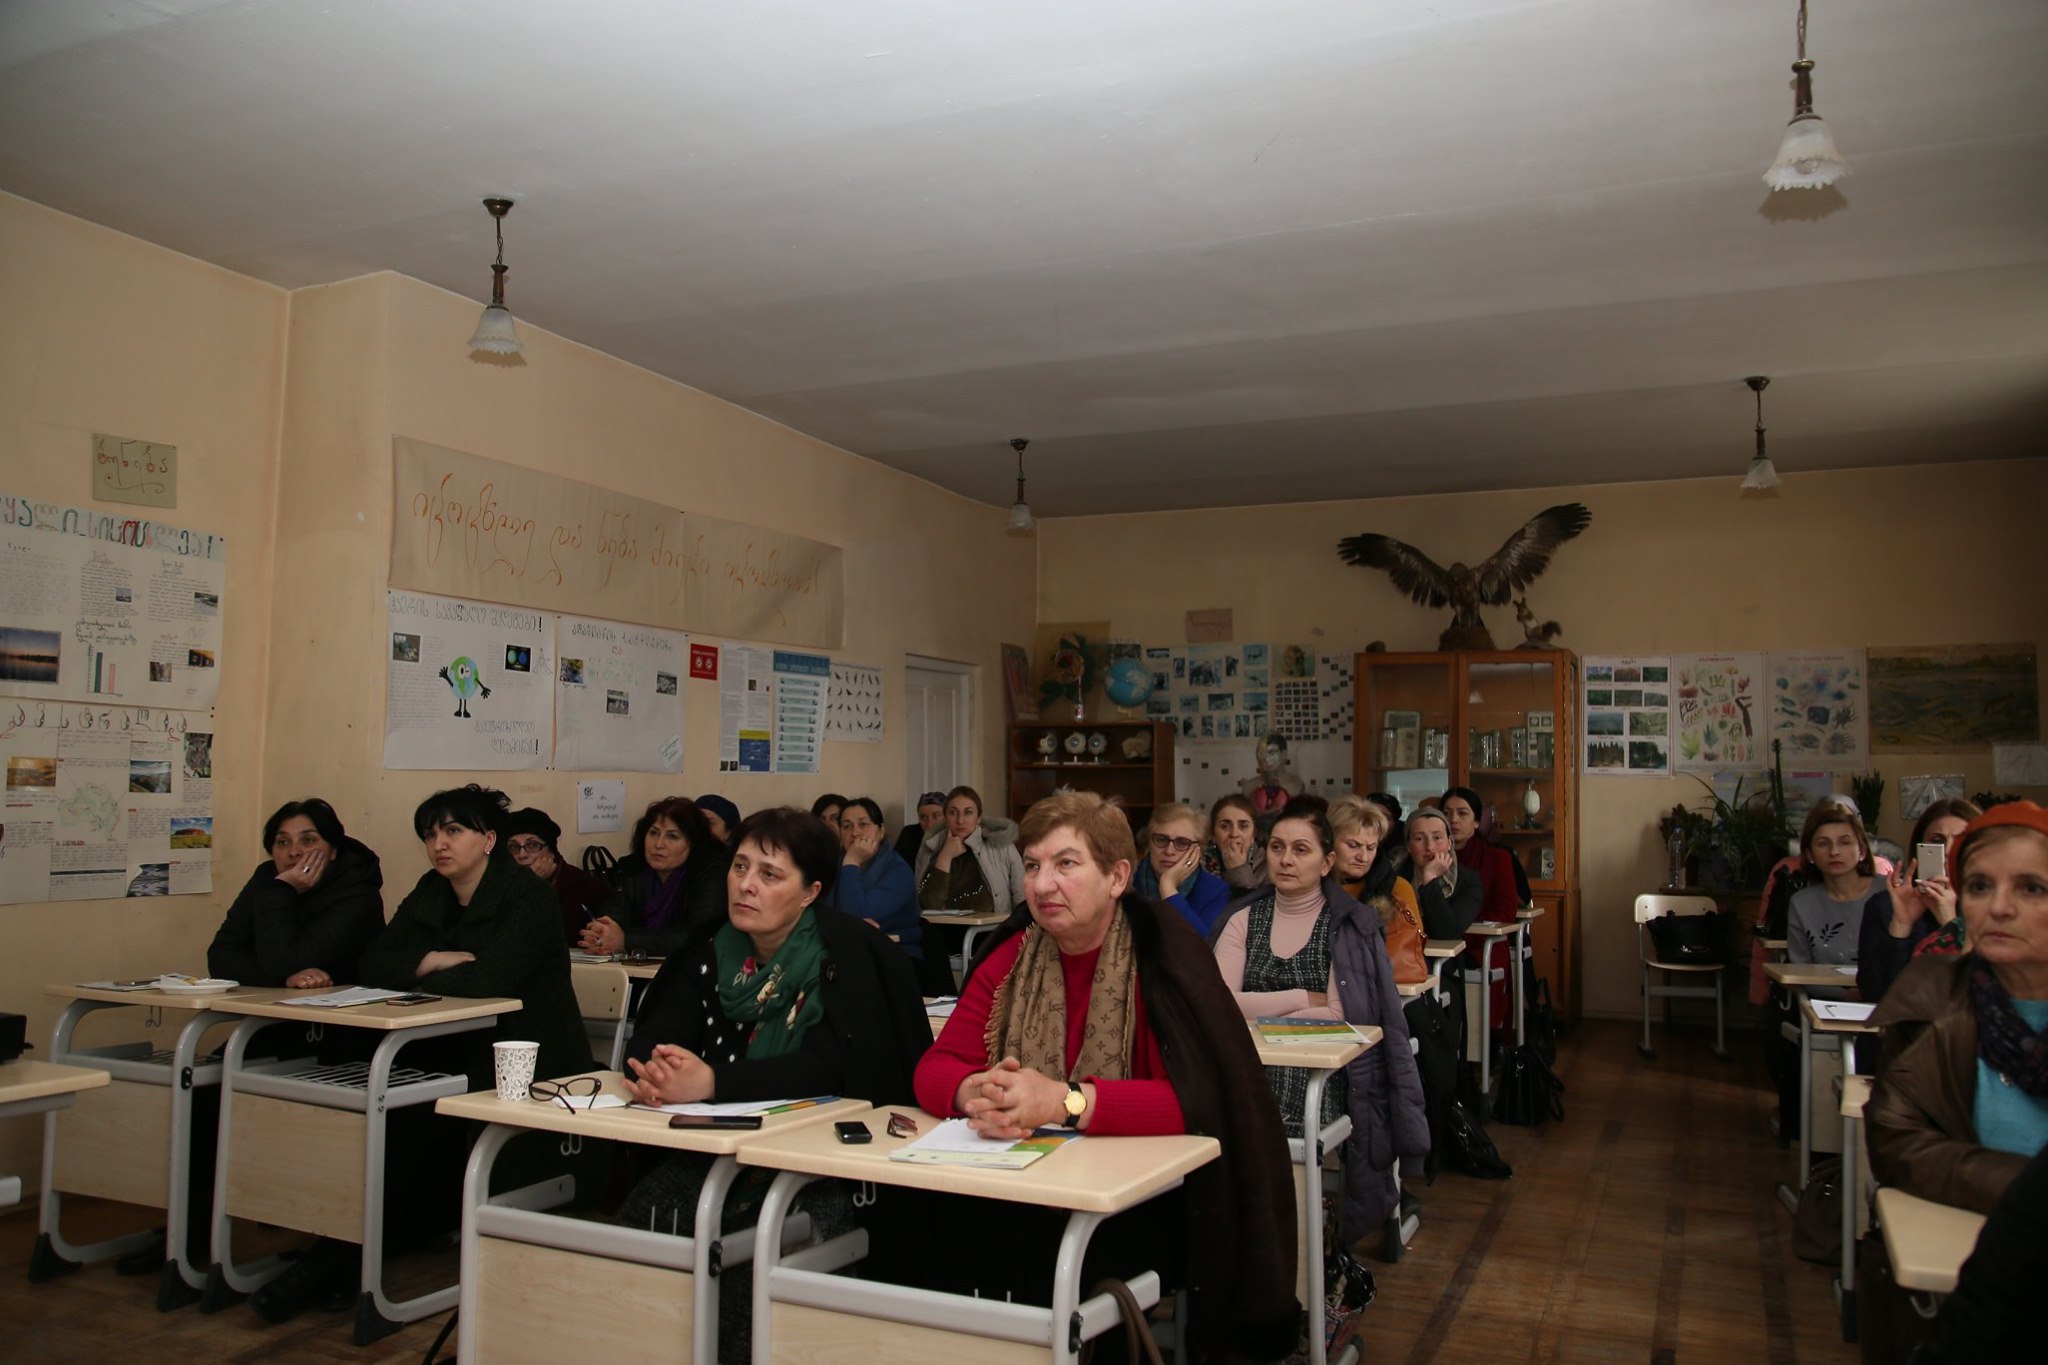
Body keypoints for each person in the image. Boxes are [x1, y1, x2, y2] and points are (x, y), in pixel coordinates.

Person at [911, 790, 1298, 1361]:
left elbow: (1197, 1101)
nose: (1043, 885)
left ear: (1117, 877)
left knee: (1033, 1254)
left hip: (1144, 1201)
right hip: (1019, 1183)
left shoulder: (1164, 956)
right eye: (1033, 866)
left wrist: (1063, 1102)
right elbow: (935, 1069)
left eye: (1066, 864)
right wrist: (976, 1091)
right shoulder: (1014, 954)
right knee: (925, 1228)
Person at [259, 786, 584, 1324]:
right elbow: (375, 963)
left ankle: (339, 1262)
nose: (439, 845)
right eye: (431, 835)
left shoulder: (527, 896)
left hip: (521, 1057)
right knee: (376, 1105)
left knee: (406, 1116)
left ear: (488, 840)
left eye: (453, 831)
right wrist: (429, 959)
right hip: (446, 1046)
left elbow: (490, 979)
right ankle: (342, 1253)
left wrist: (419, 973)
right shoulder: (433, 889)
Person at [617, 807, 929, 1365]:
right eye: (740, 867)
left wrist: (712, 1080)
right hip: (713, 1151)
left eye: (769, 874)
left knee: (761, 1250)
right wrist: (657, 1071)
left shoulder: (843, 956)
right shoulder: (713, 949)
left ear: (810, 892)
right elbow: (652, 1037)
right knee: (646, 1221)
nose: (746, 885)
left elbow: (829, 1069)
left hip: (822, 1165)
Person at [1212, 801, 1429, 1243]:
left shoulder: (1347, 925)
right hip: (1247, 1063)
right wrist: (1300, 999)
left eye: (1300, 850)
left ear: (1327, 862)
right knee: (1216, 1108)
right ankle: (1242, 1243)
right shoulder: (1241, 918)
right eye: (1276, 847)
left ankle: (1288, 1244)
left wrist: (1259, 1009)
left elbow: (1336, 1015)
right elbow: (1220, 1004)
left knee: (1276, 1109)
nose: (1285, 860)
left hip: (1325, 1074)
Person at [1867, 801, 2048, 1214]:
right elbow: (1897, 1143)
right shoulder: (1932, 994)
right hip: (1963, 1237)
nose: (1999, 907)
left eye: (2031, 888)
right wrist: (2030, 1191)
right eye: (1980, 886)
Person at [208, 797, 383, 989]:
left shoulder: (359, 894)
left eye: (308, 840)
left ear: (333, 850)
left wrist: (281, 890)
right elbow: (220, 956)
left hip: (340, 1004)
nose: (294, 852)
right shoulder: (268, 878)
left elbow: (285, 961)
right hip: (275, 1002)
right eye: (283, 842)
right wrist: (283, 980)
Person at [1859, 798, 1980, 1003]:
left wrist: (1950, 923)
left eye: (1961, 840)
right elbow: (1875, 993)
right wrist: (1901, 925)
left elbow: (1984, 994)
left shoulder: (1991, 908)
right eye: (1937, 840)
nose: (1948, 850)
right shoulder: (1885, 905)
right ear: (1919, 847)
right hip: (1903, 1021)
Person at [580, 797, 733, 959]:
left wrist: (626, 940)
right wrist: (600, 932)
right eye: (654, 833)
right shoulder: (636, 870)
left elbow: (695, 935)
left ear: (692, 843)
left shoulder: (712, 875)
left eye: (672, 836)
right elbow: (613, 913)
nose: (659, 844)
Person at [831, 797, 945, 990]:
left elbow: (857, 915)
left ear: (881, 830)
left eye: (863, 825)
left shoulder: (897, 870)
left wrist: (851, 862)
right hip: (845, 955)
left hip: (894, 956)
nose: (855, 833)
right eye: (847, 826)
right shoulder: (832, 867)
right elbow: (821, 914)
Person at [1785, 799, 1885, 1001]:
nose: (1834, 852)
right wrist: (1846, 995)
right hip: (1829, 1004)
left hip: (1889, 1002)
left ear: (1862, 851)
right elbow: (1800, 969)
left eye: (1845, 842)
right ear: (1809, 854)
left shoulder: (1888, 892)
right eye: (1823, 843)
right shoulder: (1801, 903)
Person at [1442, 787, 1520, 1033]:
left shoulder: (1497, 858)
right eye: (1447, 813)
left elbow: (1504, 913)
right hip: (1438, 941)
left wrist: (1459, 930)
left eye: (1462, 813)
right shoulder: (1430, 856)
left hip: (1479, 944)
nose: (1453, 820)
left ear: (1476, 821)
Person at [1332, 796, 1427, 984]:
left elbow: (1413, 947)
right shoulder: (1309, 886)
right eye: (1353, 845)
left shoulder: (1398, 888)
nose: (1363, 857)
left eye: (1371, 847)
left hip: (1382, 990)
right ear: (1330, 842)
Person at [913, 784, 1026, 915]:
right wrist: (945, 856)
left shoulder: (1001, 845)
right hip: (941, 925)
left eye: (968, 812)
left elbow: (1022, 898)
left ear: (978, 818)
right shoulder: (930, 847)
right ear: (945, 817)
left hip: (994, 926)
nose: (960, 820)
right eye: (953, 812)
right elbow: (929, 904)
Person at [503, 807, 611, 944]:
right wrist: (529, 885)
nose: (522, 854)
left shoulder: (585, 886)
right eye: (513, 847)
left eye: (532, 845)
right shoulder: (501, 884)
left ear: (551, 850)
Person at [1132, 801, 1230, 938]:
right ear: (1149, 842)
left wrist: (1168, 888)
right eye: (1161, 840)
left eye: (1182, 843)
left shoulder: (1215, 891)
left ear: (1199, 850)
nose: (1169, 851)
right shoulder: (1128, 881)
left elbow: (1203, 945)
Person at [1201, 792, 1266, 891]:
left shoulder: (1269, 866)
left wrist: (1238, 870)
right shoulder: (1198, 864)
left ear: (1253, 834)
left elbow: (1260, 901)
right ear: (1213, 834)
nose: (1234, 834)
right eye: (1225, 826)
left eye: (1243, 826)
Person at [893, 790, 945, 867]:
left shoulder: (953, 837)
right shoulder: (909, 834)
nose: (929, 824)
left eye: (936, 816)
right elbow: (895, 865)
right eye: (923, 817)